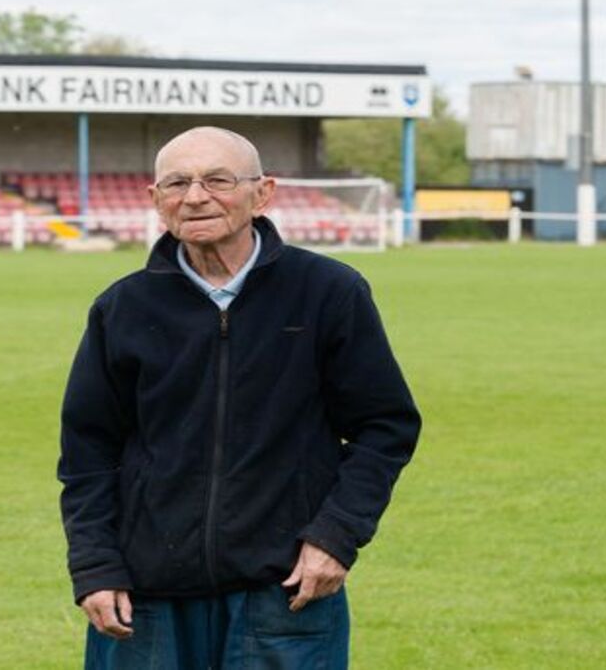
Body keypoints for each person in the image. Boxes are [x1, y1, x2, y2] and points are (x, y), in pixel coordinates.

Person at [57, 126, 421, 669]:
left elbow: (384, 427)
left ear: (263, 193)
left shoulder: (328, 292)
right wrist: (95, 566)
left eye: (217, 179)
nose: (196, 196)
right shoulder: (122, 309)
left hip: (284, 589)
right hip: (145, 597)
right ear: (156, 201)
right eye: (176, 183)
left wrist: (336, 535)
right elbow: (88, 453)